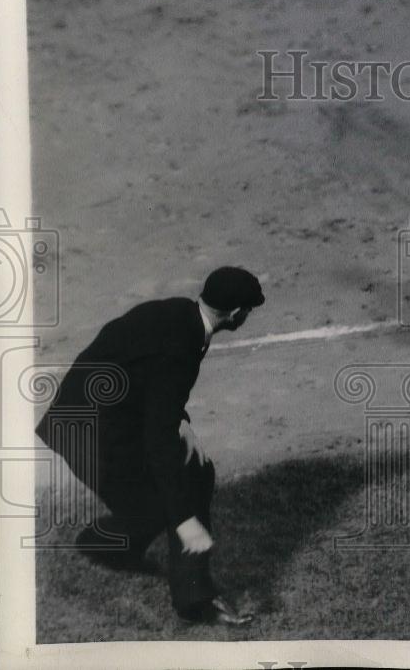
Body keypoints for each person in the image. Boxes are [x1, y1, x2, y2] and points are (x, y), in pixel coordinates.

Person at [35, 267, 265, 626]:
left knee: (193, 472)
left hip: (89, 419)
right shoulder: (183, 347)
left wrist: (182, 422)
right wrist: (186, 521)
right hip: (92, 436)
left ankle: (105, 545)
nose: (247, 317)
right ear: (236, 313)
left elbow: (146, 378)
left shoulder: (177, 313)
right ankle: (197, 599)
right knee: (175, 492)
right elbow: (158, 443)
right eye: (248, 311)